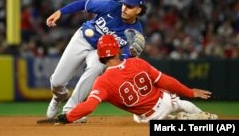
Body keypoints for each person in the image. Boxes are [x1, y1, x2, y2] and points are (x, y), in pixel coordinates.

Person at [52, 35, 218, 124]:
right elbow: (166, 81)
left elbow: (89, 107)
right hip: (165, 100)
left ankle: (178, 120)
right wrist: (190, 91)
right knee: (179, 103)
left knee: (140, 118)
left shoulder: (102, 82)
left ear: (100, 56)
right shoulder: (137, 62)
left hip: (149, 117)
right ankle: (200, 118)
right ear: (117, 51)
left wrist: (67, 117)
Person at [45, 0, 147, 121]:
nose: (124, 8)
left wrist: (130, 55)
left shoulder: (135, 32)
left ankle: (72, 109)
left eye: (129, 6)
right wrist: (60, 12)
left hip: (100, 52)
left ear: (138, 10)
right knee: (57, 82)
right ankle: (58, 97)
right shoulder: (111, 6)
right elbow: (83, 3)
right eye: (124, 4)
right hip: (82, 39)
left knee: (97, 66)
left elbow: (123, 59)